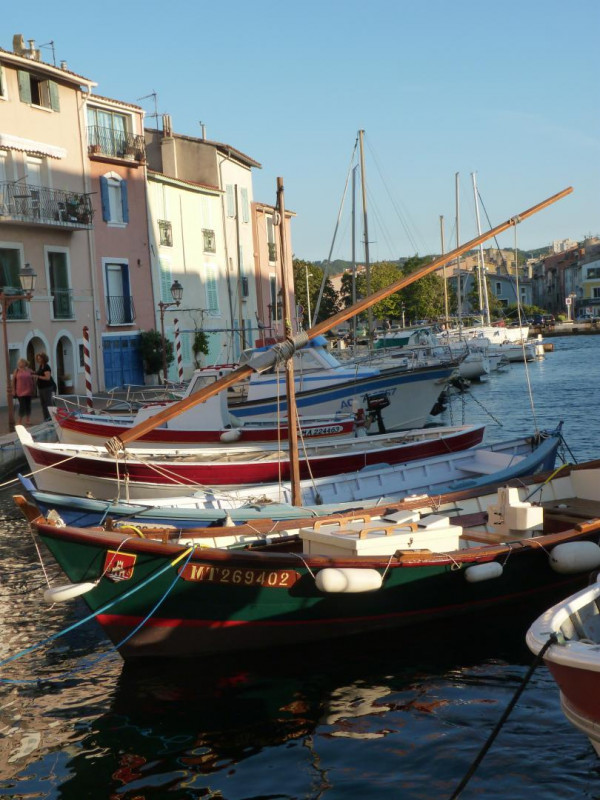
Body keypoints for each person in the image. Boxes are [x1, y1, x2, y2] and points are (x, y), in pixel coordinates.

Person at [12, 358, 35, 425]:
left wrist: (33, 389)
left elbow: (33, 379)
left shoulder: (30, 370)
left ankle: (28, 420)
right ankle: (19, 421)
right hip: (19, 391)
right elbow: (13, 381)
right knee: (22, 405)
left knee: (28, 405)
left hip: (29, 390)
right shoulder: (16, 371)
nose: (20, 364)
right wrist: (13, 390)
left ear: (25, 363)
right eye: (19, 363)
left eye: (21, 362)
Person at [35, 352, 55, 422]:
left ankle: (51, 418)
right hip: (41, 388)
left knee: (48, 403)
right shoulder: (41, 366)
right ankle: (46, 418)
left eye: (40, 358)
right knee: (43, 404)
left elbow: (47, 378)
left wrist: (38, 376)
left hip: (47, 387)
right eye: (38, 358)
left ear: (43, 359)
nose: (38, 360)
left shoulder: (46, 367)